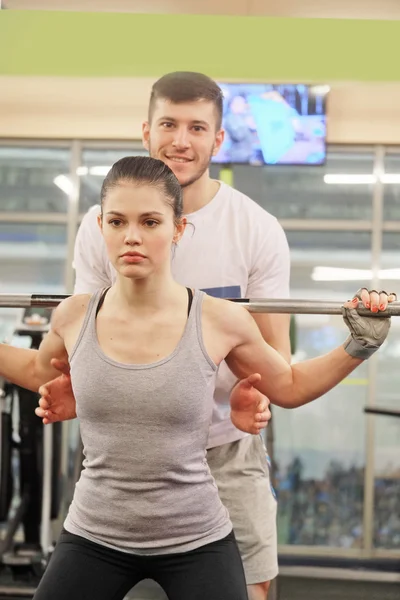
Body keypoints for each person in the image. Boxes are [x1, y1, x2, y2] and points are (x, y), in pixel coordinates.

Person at [33, 72, 388, 600]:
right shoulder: (97, 224)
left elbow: (279, 371)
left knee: (254, 589)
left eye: (197, 127)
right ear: (146, 132)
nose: (181, 139)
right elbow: (82, 338)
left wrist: (262, 393)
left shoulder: (255, 228)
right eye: (168, 124)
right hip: (128, 451)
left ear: (218, 140)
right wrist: (76, 384)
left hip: (226, 445)